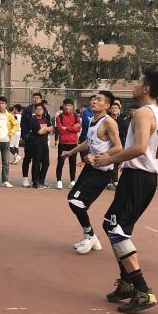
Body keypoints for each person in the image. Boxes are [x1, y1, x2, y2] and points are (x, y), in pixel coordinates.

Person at [83, 68, 158, 314]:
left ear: (146, 88)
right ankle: (126, 283)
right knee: (118, 227)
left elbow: (140, 147)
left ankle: (142, 289)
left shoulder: (143, 113)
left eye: (138, 82)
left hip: (137, 177)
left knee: (114, 228)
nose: (134, 85)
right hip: (148, 178)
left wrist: (110, 159)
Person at [60, 90, 122, 254]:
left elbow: (118, 147)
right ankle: (90, 236)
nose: (94, 101)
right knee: (72, 199)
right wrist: (71, 152)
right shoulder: (93, 120)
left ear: (107, 106)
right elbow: (88, 142)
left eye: (99, 100)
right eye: (94, 99)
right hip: (90, 168)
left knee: (77, 202)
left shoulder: (109, 122)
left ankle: (90, 237)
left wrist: (95, 157)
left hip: (101, 171)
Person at [54, 99, 82, 188]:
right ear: (63, 106)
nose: (67, 107)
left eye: (69, 105)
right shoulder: (59, 117)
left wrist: (66, 128)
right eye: (66, 105)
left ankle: (72, 181)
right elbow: (60, 130)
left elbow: (78, 128)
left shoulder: (76, 116)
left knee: (73, 163)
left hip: (73, 143)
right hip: (63, 143)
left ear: (72, 106)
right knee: (60, 163)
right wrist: (72, 128)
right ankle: (59, 181)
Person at [23, 103, 52, 188]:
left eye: (40, 109)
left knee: (46, 162)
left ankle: (42, 180)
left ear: (43, 111)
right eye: (37, 109)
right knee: (36, 162)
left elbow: (52, 128)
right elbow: (39, 132)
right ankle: (35, 181)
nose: (39, 110)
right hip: (36, 143)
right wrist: (46, 129)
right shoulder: (33, 120)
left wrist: (44, 129)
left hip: (44, 143)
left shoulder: (45, 120)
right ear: (35, 111)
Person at [20, 92, 46, 186]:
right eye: (34, 98)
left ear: (41, 99)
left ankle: (36, 179)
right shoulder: (27, 110)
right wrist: (25, 135)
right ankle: (25, 178)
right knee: (27, 158)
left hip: (40, 139)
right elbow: (23, 123)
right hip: (30, 139)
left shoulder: (44, 109)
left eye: (38, 98)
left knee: (38, 160)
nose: (36, 99)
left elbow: (46, 123)